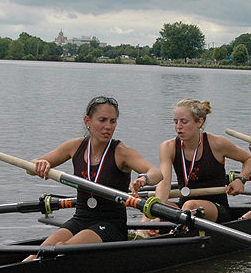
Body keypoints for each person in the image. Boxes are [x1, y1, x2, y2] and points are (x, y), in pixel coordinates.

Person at [29, 96, 160, 253]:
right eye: (102, 120)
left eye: (112, 121)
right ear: (87, 121)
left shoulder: (122, 152)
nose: (108, 127)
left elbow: (157, 173)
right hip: (81, 218)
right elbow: (29, 168)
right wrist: (39, 164)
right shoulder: (74, 146)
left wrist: (143, 178)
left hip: (111, 225)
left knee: (61, 249)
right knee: (42, 250)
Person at [151, 99, 251, 224]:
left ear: (200, 122)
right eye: (175, 122)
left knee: (190, 205)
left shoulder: (217, 144)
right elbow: (164, 184)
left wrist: (241, 179)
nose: (178, 126)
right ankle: (144, 234)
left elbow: (250, 159)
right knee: (153, 204)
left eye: (184, 122)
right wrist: (156, 213)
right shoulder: (168, 147)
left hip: (216, 207)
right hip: (185, 206)